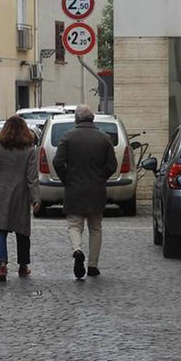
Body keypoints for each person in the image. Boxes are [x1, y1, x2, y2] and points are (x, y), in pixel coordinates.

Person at [52, 104, 119, 279]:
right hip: (96, 188)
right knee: (95, 227)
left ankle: (77, 250)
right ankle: (93, 265)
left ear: (76, 119)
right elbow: (112, 165)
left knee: (74, 225)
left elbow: (57, 162)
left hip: (74, 188)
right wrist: (100, 177)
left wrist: (66, 178)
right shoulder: (104, 139)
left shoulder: (67, 137)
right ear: (92, 119)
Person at [0, 115, 40, 282]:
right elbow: (32, 177)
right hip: (20, 195)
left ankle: (2, 265)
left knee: (0, 231)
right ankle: (23, 266)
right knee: (22, 233)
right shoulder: (29, 150)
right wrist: (35, 199)